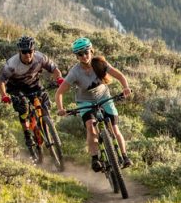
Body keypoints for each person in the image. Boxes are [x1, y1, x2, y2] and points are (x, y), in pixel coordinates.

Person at [55, 37, 133, 170]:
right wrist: (60, 108)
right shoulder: (75, 72)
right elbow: (59, 93)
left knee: (114, 129)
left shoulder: (100, 63)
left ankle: (124, 156)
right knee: (91, 127)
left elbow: (119, 76)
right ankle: (95, 158)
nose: (84, 56)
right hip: (85, 101)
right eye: (80, 54)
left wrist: (125, 87)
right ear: (76, 56)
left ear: (91, 50)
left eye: (86, 52)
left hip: (104, 97)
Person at [0, 35, 63, 158]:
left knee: (45, 105)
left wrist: (58, 79)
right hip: (16, 88)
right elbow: (1, 82)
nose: (27, 54)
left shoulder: (40, 58)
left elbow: (54, 69)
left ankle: (46, 126)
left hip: (33, 84)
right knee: (23, 108)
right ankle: (27, 133)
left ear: (34, 50)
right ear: (19, 51)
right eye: (24, 52)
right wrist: (4, 95)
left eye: (30, 51)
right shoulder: (12, 64)